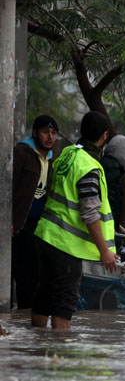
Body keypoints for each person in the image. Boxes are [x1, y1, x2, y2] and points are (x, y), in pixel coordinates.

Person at [32, 111, 117, 330]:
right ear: (104, 136)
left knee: (44, 294)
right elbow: (89, 213)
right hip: (65, 245)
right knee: (63, 301)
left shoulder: (67, 154)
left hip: (45, 235)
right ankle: (61, 355)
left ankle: (37, 347)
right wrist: (104, 250)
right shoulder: (88, 166)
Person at [11, 115, 59, 309]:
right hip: (16, 223)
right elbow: (9, 186)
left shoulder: (51, 159)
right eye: (45, 132)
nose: (50, 137)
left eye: (54, 133)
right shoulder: (22, 152)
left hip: (37, 226)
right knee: (14, 272)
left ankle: (25, 318)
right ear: (35, 133)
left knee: (32, 276)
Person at [99, 134, 125, 234]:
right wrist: (112, 228)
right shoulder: (113, 170)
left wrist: (118, 227)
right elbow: (110, 203)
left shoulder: (104, 164)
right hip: (104, 230)